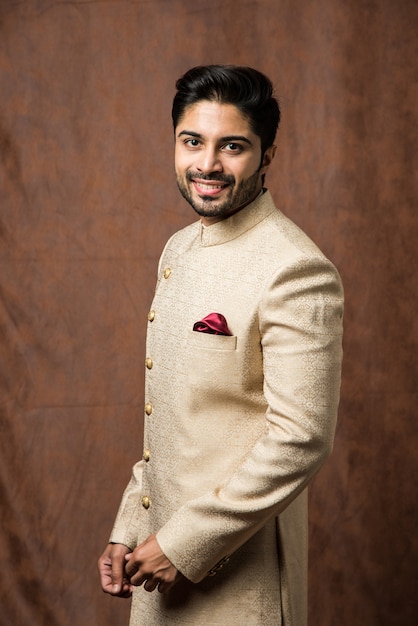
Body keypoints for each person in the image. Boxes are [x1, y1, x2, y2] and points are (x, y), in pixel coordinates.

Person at [98, 64, 344, 626]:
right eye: (192, 142)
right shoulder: (179, 249)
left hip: (238, 581)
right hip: (155, 566)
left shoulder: (295, 268)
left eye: (232, 146)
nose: (207, 165)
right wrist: (130, 528)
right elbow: (172, 419)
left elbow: (301, 439)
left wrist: (181, 545)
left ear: (267, 154)